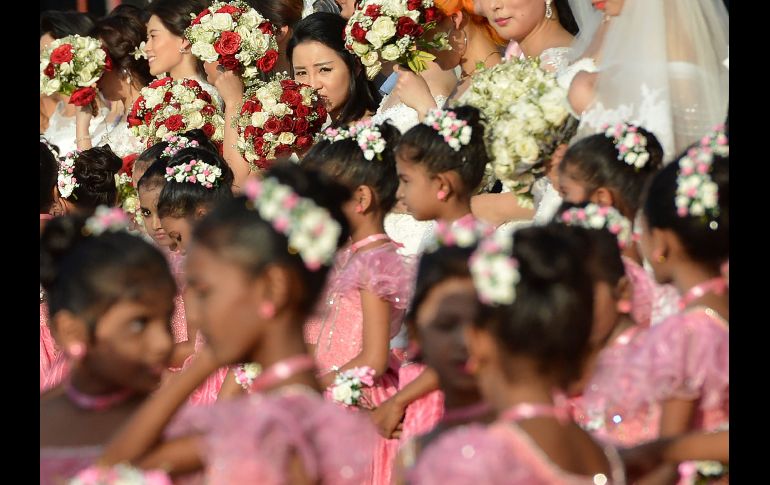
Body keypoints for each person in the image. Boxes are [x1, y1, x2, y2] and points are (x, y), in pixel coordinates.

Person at [99, 164, 376, 484]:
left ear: (272, 287)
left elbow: (118, 464)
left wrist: (205, 361)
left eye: (206, 292)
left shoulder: (279, 425)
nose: (197, 315)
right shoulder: (279, 409)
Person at [40, 208, 176, 483]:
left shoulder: (174, 423)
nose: (164, 343)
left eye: (168, 319)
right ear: (72, 332)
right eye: (139, 324)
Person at [288, 12, 382, 127]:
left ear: (356, 65)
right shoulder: (315, 135)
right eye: (301, 73)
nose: (313, 85)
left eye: (324, 70)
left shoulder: (373, 133)